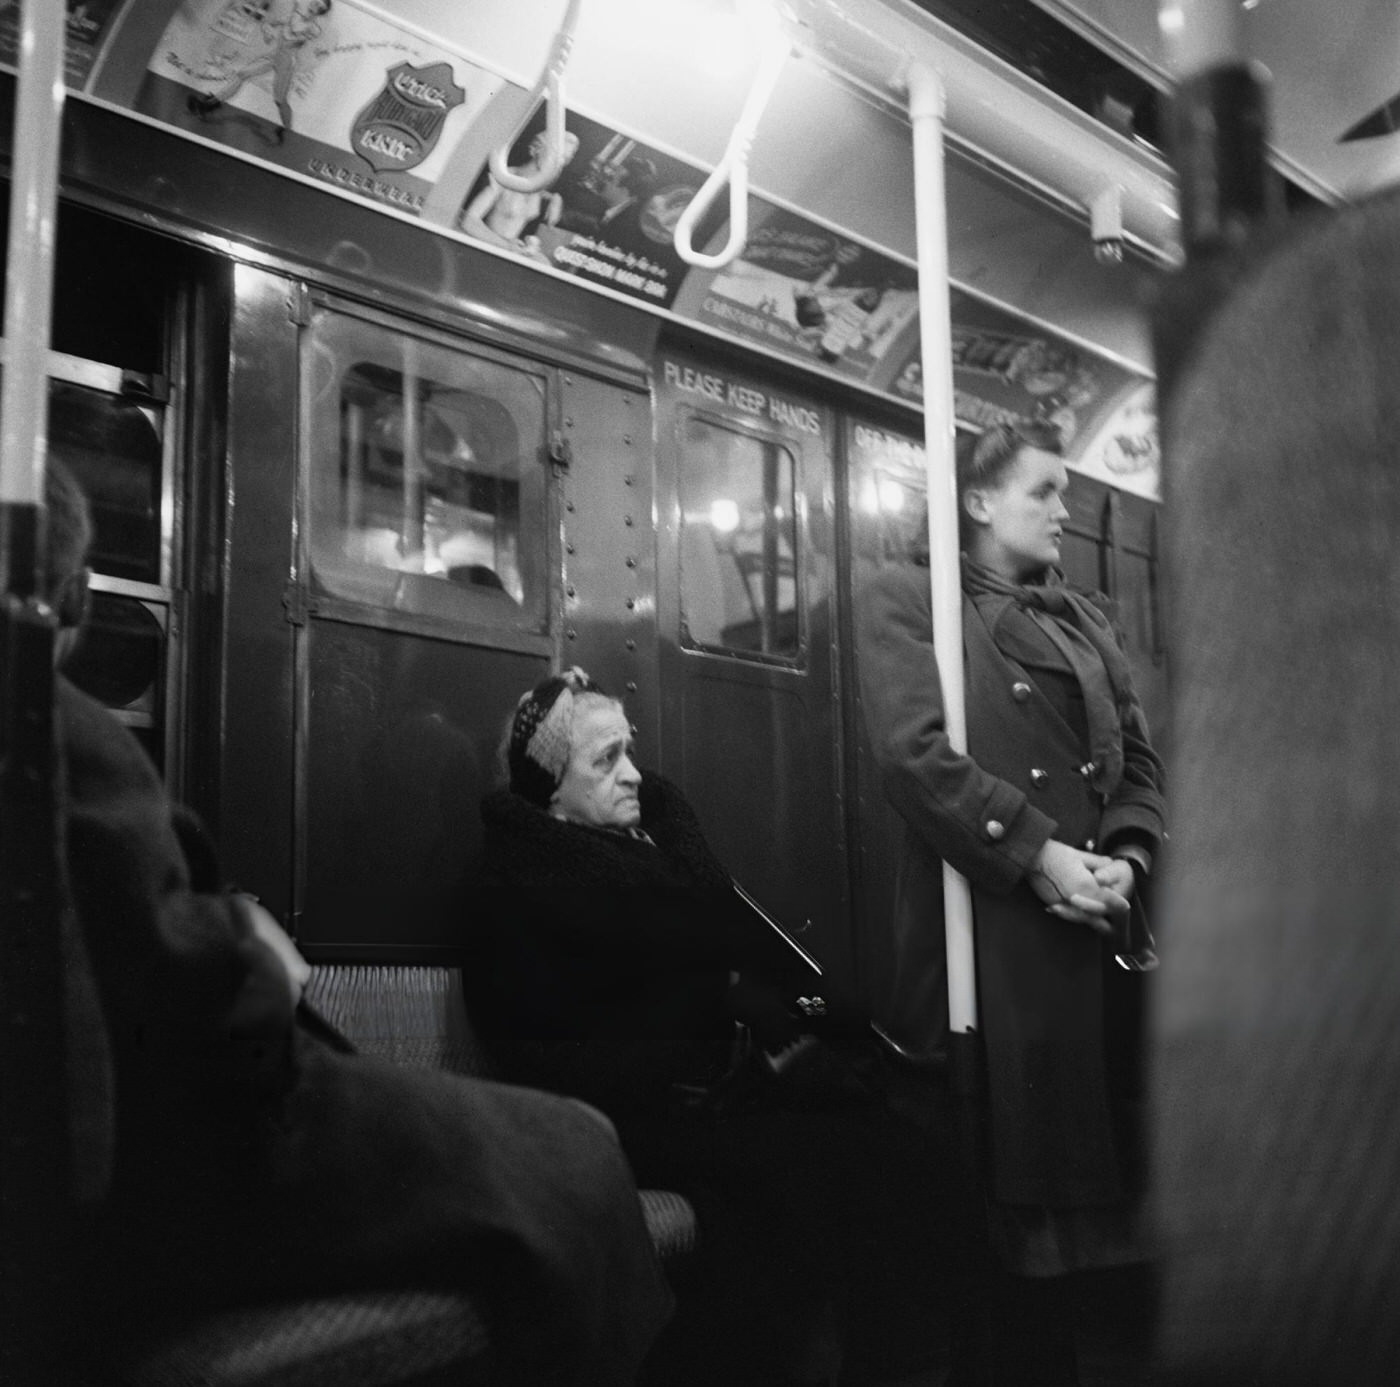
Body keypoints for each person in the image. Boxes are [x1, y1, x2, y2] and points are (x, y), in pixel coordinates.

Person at [43, 455, 672, 1384]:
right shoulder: (60, 731)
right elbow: (189, 995)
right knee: (578, 1147)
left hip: (172, 1138)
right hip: (223, 1139)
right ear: (58, 601)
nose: (634, 781)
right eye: (606, 759)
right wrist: (250, 950)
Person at [467, 668, 922, 1386]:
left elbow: (728, 956)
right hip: (624, 1118)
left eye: (631, 752)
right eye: (605, 759)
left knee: (887, 1138)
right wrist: (711, 1044)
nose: (634, 776)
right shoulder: (517, 885)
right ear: (550, 786)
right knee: (824, 1168)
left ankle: (882, 1363)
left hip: (703, 1098)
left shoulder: (640, 858)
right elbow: (541, 1044)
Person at [856, 418, 1166, 1385]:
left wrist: (1123, 856)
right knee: (999, 1231)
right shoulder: (906, 599)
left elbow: (1138, 763)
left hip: (1093, 929)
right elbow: (915, 756)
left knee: (1087, 1216)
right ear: (980, 501)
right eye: (1046, 492)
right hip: (991, 928)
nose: (1066, 512)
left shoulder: (1091, 622)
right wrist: (1042, 856)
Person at [188, 0, 331, 142]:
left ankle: (287, 131)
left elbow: (292, 36)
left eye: (320, 7)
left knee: (280, 101)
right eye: (315, 2)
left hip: (286, 63)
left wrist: (289, 22)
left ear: (321, 12)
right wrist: (268, 31)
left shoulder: (313, 29)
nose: (315, 6)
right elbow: (270, 24)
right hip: (274, 55)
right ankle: (210, 104)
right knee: (242, 74)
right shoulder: (294, 15)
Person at [461, 130, 580, 262]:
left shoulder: (538, 185)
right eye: (556, 156)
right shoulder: (504, 177)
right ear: (538, 149)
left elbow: (534, 192)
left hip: (510, 252)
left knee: (545, 262)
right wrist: (508, 247)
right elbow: (469, 221)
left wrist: (556, 198)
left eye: (564, 159)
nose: (559, 164)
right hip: (484, 250)